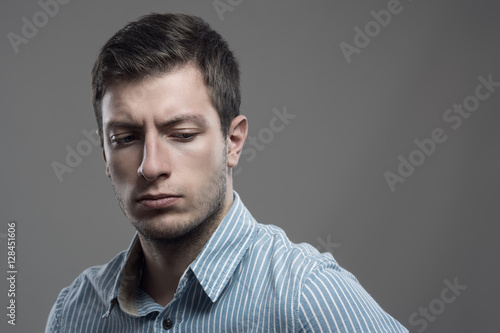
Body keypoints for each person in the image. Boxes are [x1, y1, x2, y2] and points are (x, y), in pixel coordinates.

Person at [46, 13, 408, 332]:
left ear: (232, 142)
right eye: (126, 138)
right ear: (104, 154)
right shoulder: (74, 314)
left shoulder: (306, 295)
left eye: (182, 135)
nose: (151, 166)